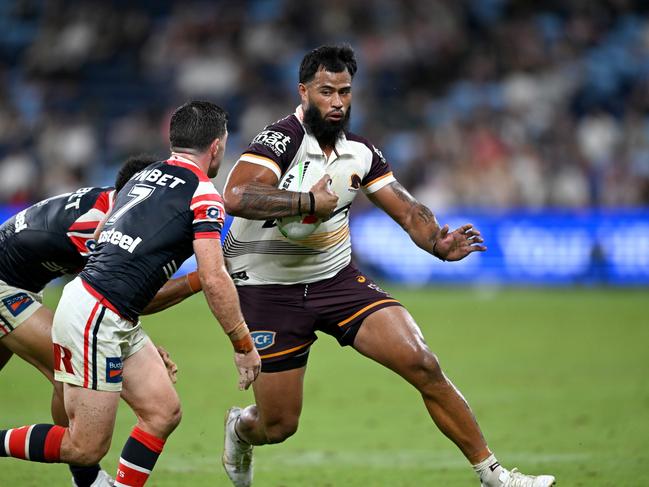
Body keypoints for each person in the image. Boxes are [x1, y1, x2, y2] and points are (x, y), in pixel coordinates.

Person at [221, 45, 556, 487]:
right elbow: (236, 196)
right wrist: (307, 201)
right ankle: (239, 429)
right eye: (327, 92)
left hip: (335, 280)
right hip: (268, 291)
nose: (338, 102)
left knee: (423, 363)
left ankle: (494, 477)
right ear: (303, 92)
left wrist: (438, 242)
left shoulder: (360, 152)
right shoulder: (279, 140)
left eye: (345, 91)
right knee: (278, 425)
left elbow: (407, 210)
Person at [0, 101, 261, 487]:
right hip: (86, 309)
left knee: (163, 411)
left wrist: (134, 336)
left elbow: (112, 254)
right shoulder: (205, 195)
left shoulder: (142, 178)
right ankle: (85, 477)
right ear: (218, 146)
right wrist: (243, 344)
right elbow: (213, 274)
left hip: (99, 307)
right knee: (84, 446)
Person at [0, 155, 192, 487]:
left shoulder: (111, 205)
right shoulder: (96, 224)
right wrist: (201, 279)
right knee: (67, 370)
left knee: (68, 373)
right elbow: (113, 301)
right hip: (5, 286)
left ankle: (84, 474)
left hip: (25, 284)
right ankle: (86, 476)